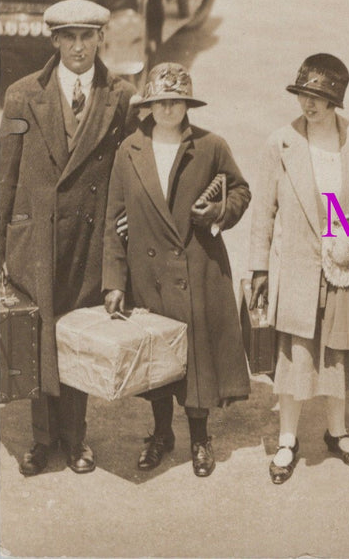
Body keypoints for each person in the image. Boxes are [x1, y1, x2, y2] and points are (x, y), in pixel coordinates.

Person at [0, 0, 136, 476]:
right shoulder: (20, 96)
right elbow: (6, 176)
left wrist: (126, 228)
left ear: (101, 39)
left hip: (89, 237)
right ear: (54, 41)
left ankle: (76, 439)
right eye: (69, 37)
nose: (79, 47)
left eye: (88, 36)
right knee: (38, 333)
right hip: (34, 237)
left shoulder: (121, 96)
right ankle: (41, 439)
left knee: (75, 333)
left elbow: (132, 168)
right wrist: (0, 249)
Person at [249, 54, 349, 483]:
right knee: (296, 356)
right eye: (303, 96)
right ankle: (288, 440)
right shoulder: (281, 142)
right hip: (295, 267)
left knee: (339, 354)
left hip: (344, 267)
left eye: (317, 98)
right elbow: (264, 212)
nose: (308, 105)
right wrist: (259, 269)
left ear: (335, 101)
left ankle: (338, 432)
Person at [103, 63, 251, 477]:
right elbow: (113, 219)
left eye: (177, 102)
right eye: (161, 102)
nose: (169, 109)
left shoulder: (209, 146)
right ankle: (162, 434)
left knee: (196, 358)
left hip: (198, 267)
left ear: (188, 105)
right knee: (156, 360)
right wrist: (113, 282)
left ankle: (200, 439)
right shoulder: (129, 150)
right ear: (149, 106)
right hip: (147, 275)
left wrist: (219, 211)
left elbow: (241, 189)